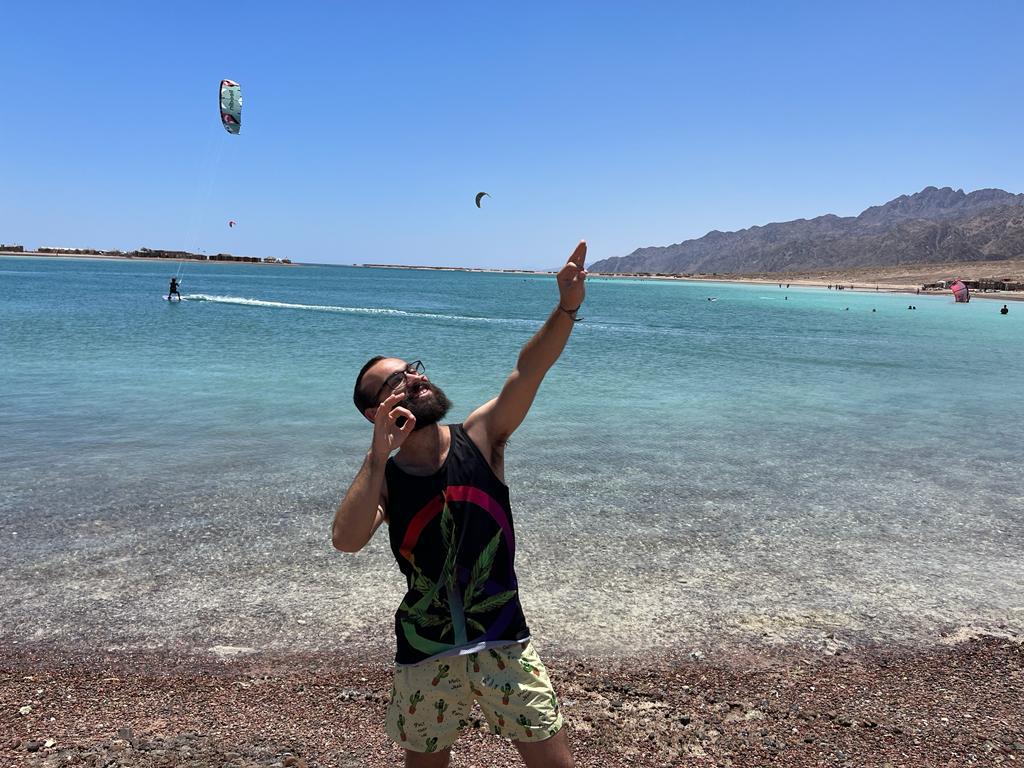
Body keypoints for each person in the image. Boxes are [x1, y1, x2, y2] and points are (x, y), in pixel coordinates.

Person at [333, 241, 588, 768]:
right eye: (397, 382)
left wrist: (566, 309)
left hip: (505, 639)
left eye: (413, 369)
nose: (416, 378)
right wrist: (377, 456)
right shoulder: (384, 478)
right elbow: (346, 539)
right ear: (376, 411)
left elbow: (528, 371)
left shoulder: (481, 437)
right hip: (425, 651)